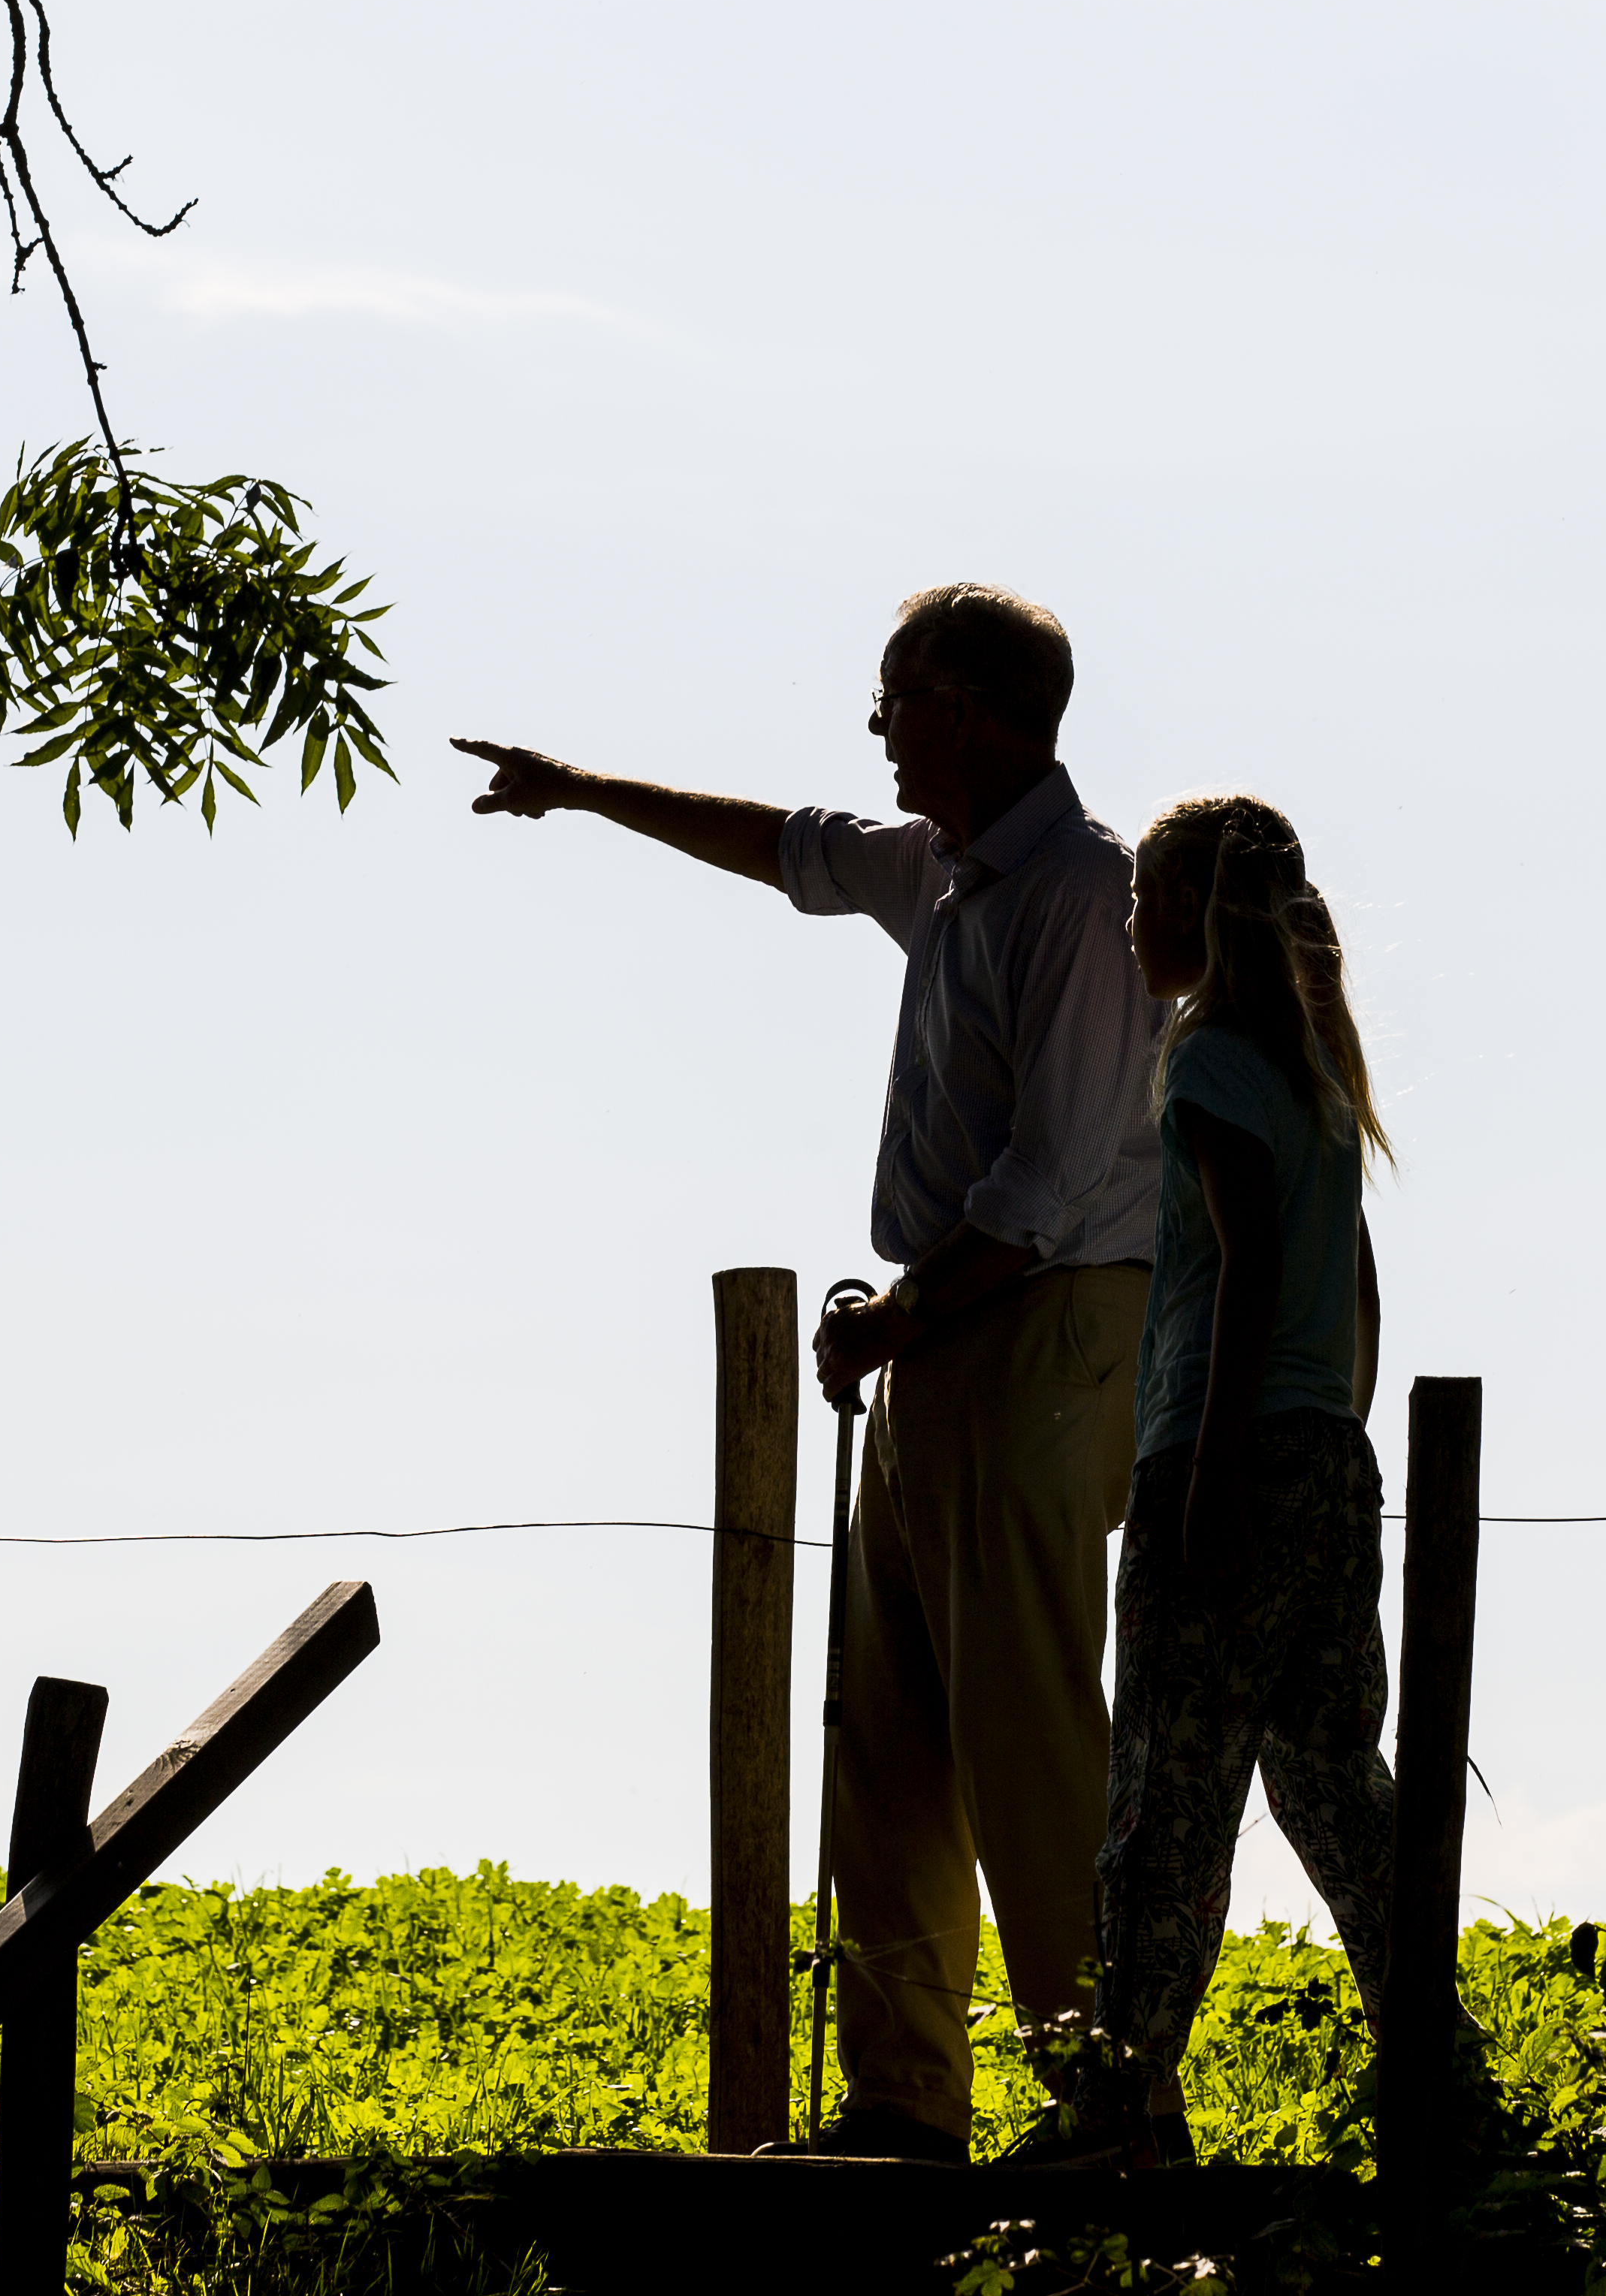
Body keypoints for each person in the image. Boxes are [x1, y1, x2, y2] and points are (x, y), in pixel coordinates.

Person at [451, 583, 1156, 2162]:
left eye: (896, 696)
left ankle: (1107, 2103)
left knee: (1029, 1726)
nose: (879, 726)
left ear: (972, 710)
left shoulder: (1080, 898)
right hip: (942, 1340)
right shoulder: (953, 874)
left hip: (1039, 1338)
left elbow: (1043, 1195)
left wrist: (899, 1316)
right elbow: (786, 844)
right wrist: (579, 790)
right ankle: (905, 2106)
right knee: (888, 1730)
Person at [1035, 791, 1405, 2170]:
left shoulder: (1202, 1061)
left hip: (1221, 1447)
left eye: (1143, 899)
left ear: (1195, 916)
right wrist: (1329, 1444)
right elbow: (1353, 1287)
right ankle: (1434, 2066)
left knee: (1164, 1792)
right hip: (1322, 1460)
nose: (1128, 919)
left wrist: (1207, 1472)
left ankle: (1117, 2110)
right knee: (1331, 1783)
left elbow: (1244, 1266)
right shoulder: (1315, 1071)